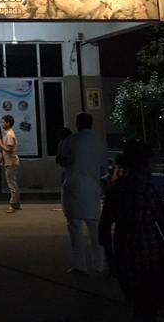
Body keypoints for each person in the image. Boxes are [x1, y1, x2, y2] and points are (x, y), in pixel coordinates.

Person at [99, 140, 164, 322]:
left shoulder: (117, 189)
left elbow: (104, 226)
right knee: (149, 307)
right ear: (143, 164)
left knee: (137, 304)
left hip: (123, 251)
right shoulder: (148, 190)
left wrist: (110, 257)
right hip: (150, 254)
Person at [60, 112, 107, 275]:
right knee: (95, 229)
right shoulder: (98, 141)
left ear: (78, 123)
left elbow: (60, 159)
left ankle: (80, 265)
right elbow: (102, 166)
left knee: (75, 228)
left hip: (74, 186)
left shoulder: (73, 139)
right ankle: (99, 265)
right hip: (93, 187)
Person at [0, 115, 20, 212]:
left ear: (8, 123)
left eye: (3, 122)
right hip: (9, 161)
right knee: (12, 182)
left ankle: (13, 204)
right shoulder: (7, 134)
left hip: (11, 162)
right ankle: (16, 203)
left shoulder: (9, 135)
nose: (2, 123)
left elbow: (9, 149)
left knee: (11, 183)